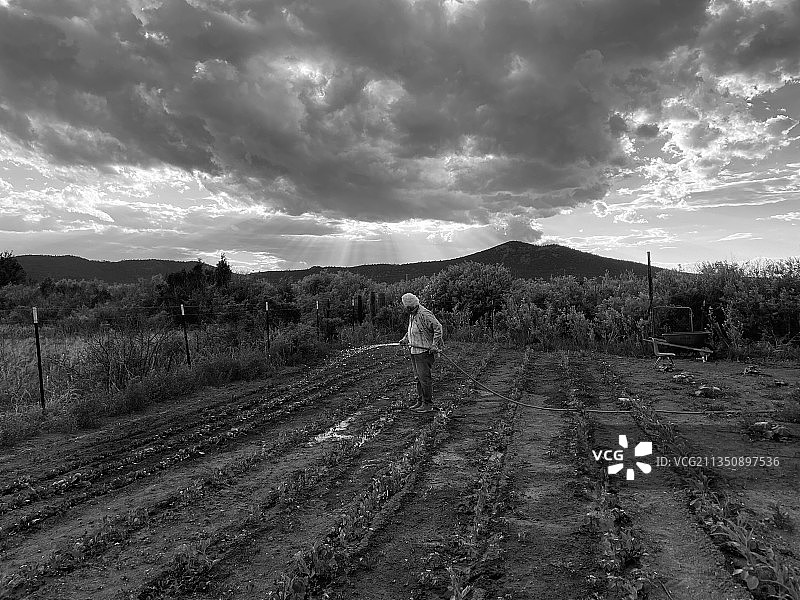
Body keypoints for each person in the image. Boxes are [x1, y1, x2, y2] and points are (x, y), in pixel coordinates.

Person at [398, 293, 443, 413]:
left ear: (409, 306)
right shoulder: (413, 314)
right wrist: (405, 339)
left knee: (424, 378)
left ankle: (427, 404)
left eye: (406, 307)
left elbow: (438, 327)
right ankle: (420, 401)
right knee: (418, 378)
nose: (405, 309)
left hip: (424, 351)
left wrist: (434, 345)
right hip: (414, 350)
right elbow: (412, 330)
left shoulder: (424, 313)